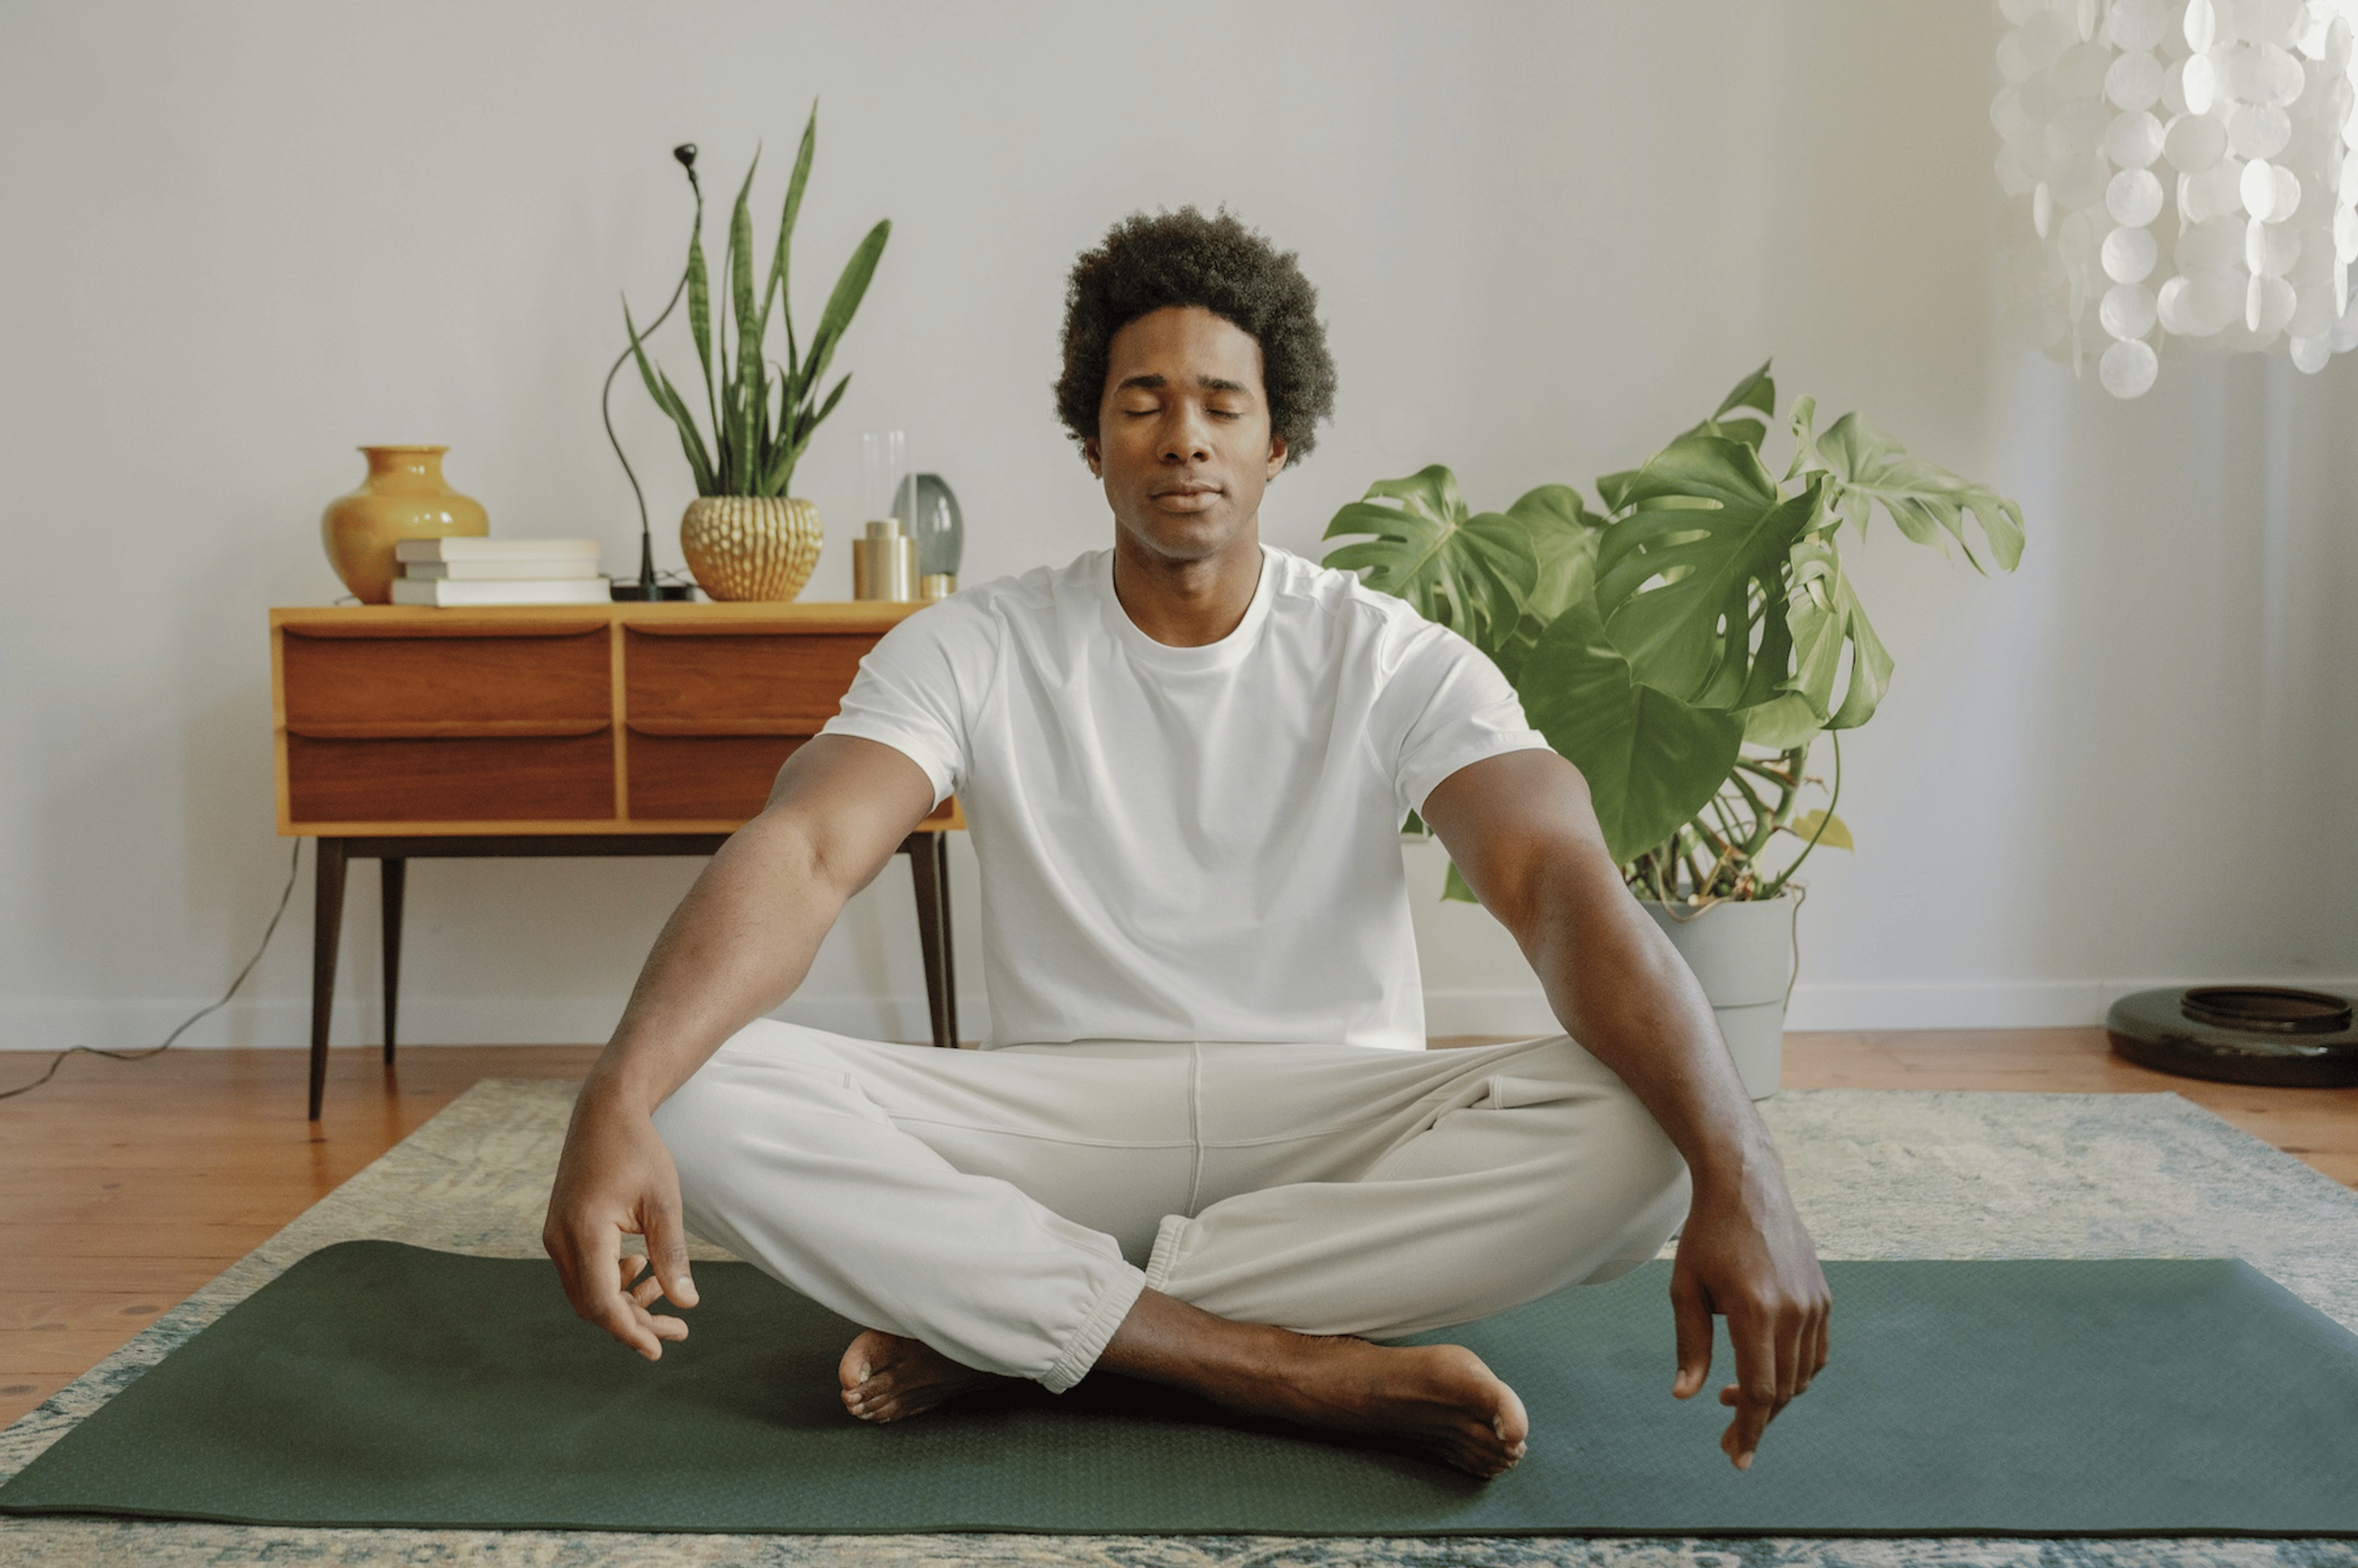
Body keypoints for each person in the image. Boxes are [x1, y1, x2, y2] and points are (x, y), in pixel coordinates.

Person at [543, 208, 1829, 1480]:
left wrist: (1747, 1168)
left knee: (1658, 1127)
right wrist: (617, 1086)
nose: (1184, 439)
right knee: (695, 1086)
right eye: (1144, 401)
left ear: (1281, 441)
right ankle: (1279, 1363)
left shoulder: (1386, 652)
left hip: (1334, 1124)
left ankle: (1036, 1329)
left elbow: (1555, 882)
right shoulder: (975, 644)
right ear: (1093, 439)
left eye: (1222, 403)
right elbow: (810, 848)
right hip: (1059, 1125)